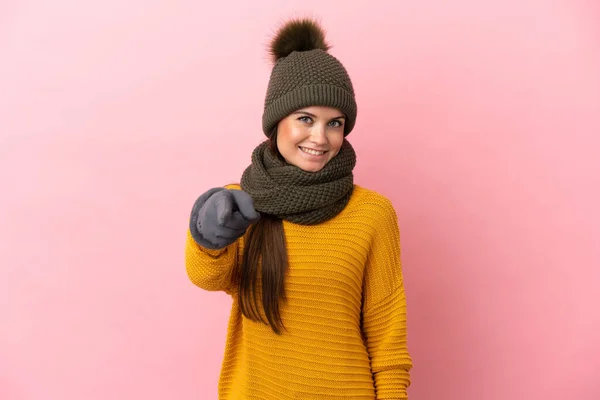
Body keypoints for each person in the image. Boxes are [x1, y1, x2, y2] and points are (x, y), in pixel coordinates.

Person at [185, 17, 413, 399]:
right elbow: (209, 278)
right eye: (305, 119)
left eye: (335, 123)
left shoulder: (372, 213)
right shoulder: (240, 204)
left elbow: (387, 334)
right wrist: (207, 238)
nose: (320, 138)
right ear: (277, 123)